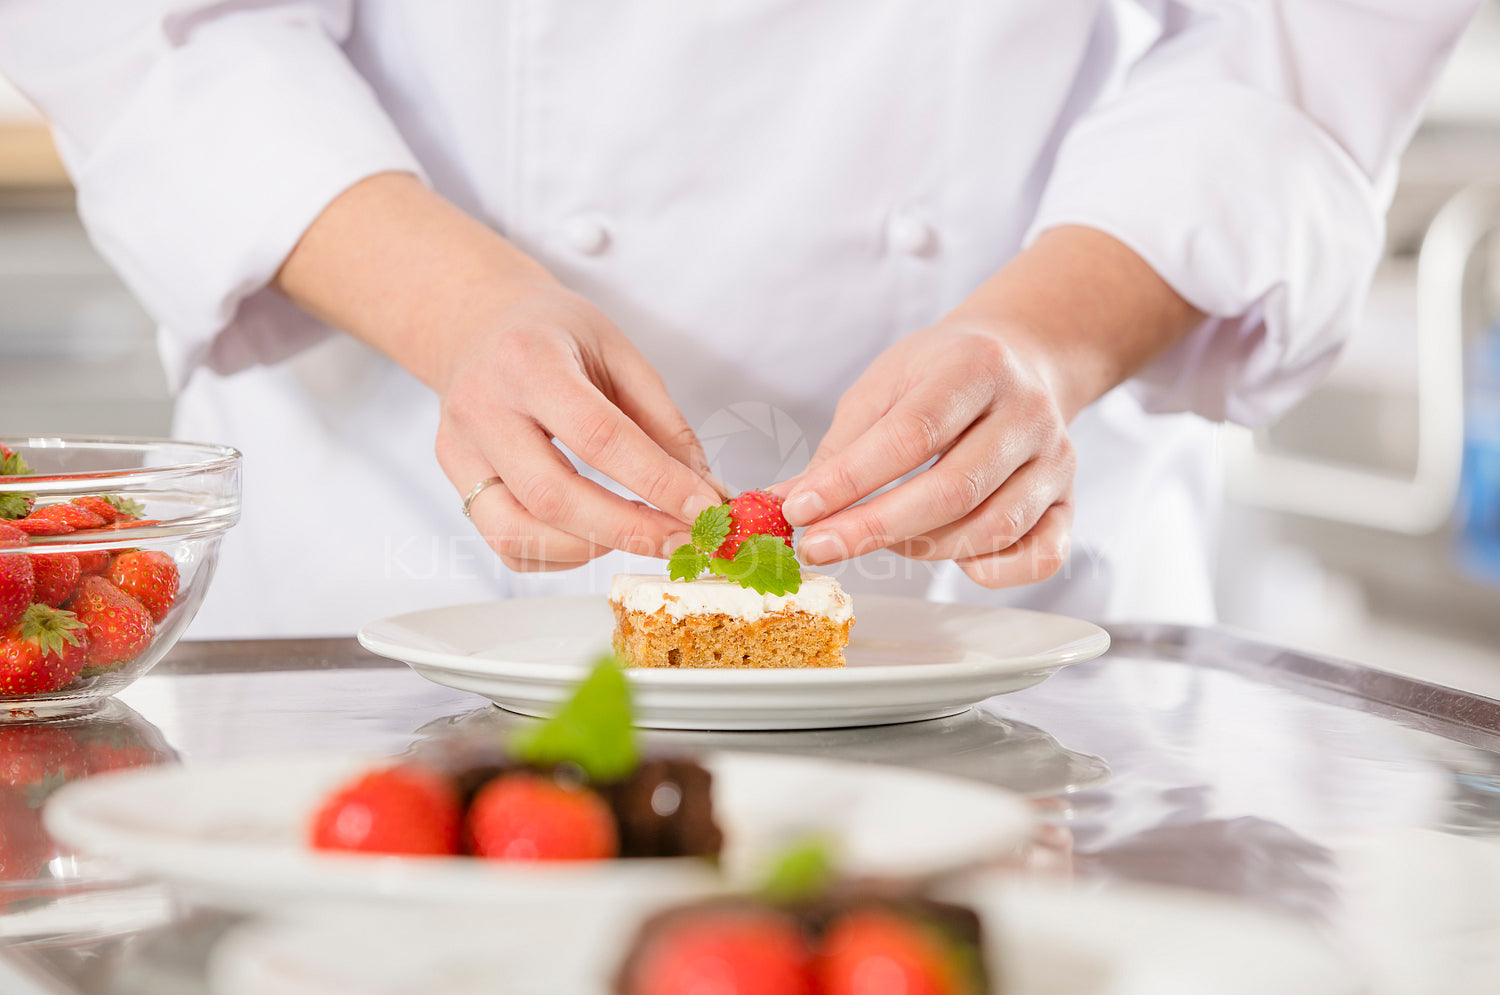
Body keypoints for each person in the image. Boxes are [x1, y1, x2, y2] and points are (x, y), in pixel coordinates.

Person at [0, 1, 1477, 637]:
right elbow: (155, 33)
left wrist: (1046, 339)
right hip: (390, 532)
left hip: (1009, 582)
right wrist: (462, 311)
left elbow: (1304, 41)